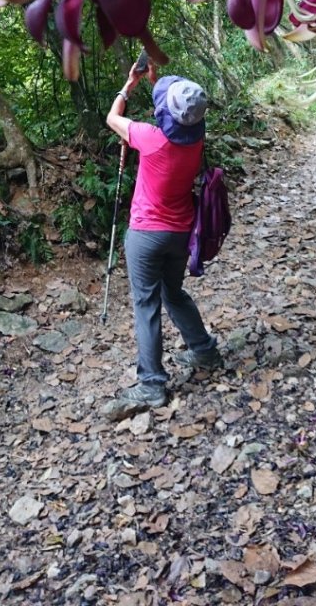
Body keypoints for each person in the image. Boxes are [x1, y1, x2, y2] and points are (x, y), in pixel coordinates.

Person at [106, 58, 222, 409]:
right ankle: (203, 350)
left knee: (146, 304)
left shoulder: (150, 139)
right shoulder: (196, 138)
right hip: (180, 232)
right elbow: (178, 111)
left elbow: (113, 118)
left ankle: (151, 384)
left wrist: (129, 85)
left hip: (146, 234)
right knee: (173, 292)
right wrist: (156, 81)